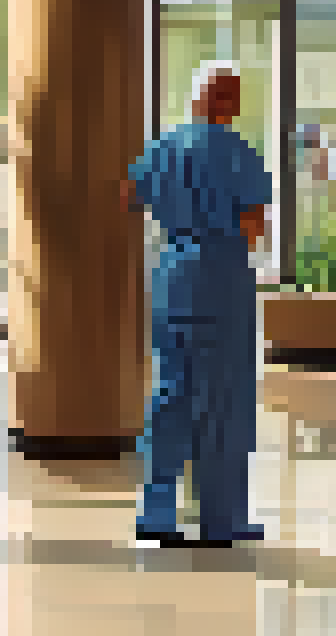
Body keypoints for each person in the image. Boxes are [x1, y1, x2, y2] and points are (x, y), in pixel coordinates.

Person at [124, 64, 273, 546]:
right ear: (229, 104)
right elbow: (254, 227)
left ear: (195, 100)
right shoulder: (239, 154)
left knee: (171, 392)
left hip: (174, 276)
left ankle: (159, 514)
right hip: (222, 277)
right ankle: (221, 519)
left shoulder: (161, 149)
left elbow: (130, 196)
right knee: (224, 401)